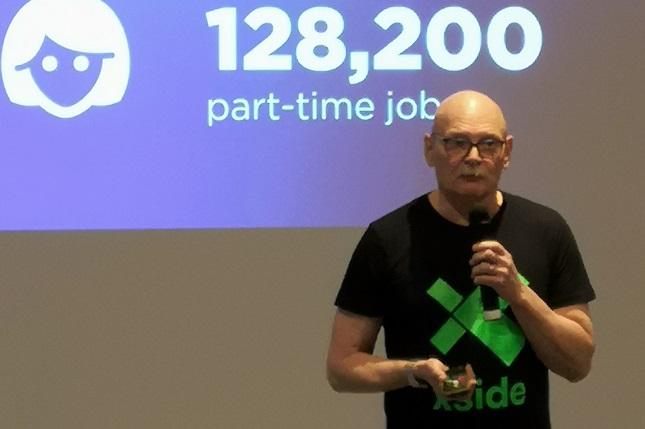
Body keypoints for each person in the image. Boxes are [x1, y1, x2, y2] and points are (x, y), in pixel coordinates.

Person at [326, 90, 595, 428]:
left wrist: (518, 294)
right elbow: (341, 368)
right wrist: (413, 372)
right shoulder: (388, 238)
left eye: (488, 144)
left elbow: (577, 363)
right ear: (429, 149)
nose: (473, 157)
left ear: (507, 152)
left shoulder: (546, 230)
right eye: (457, 143)